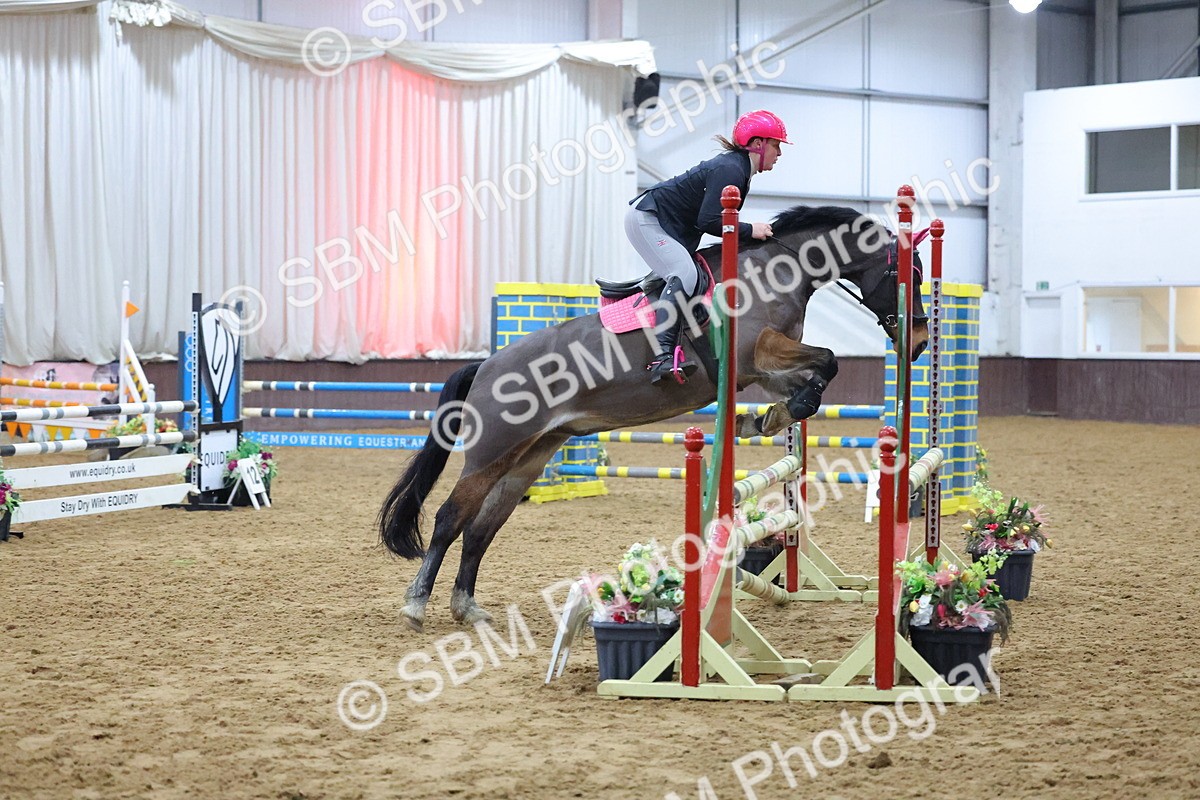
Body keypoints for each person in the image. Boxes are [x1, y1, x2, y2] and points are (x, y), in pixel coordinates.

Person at [625, 109, 790, 384]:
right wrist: (751, 229)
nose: (779, 153)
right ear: (758, 144)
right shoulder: (732, 169)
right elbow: (711, 221)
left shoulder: (739, 168)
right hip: (648, 219)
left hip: (661, 222)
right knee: (685, 275)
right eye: (776, 145)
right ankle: (662, 357)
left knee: (693, 275)